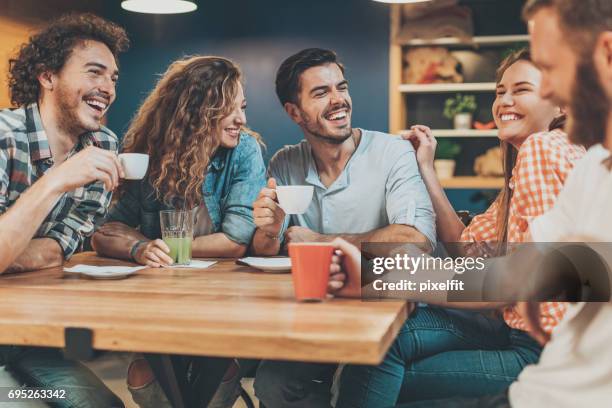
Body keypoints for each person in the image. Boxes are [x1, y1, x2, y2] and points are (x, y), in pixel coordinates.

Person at [329, 1, 612, 406]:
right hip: (543, 352)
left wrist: (381, 274)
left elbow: (505, 282)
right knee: (380, 343)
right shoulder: (586, 167)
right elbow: (497, 267)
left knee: (378, 369)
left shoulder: (546, 149)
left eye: (550, 69)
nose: (546, 88)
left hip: (551, 364)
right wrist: (382, 271)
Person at [250, 48, 436, 408]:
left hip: (384, 309)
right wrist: (269, 230)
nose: (339, 101)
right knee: (273, 383)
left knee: (353, 377)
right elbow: (266, 251)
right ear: (294, 112)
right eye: (321, 93)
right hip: (316, 314)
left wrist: (321, 241)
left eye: (342, 87)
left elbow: (418, 239)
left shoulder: (392, 153)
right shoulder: (285, 163)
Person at [91, 55, 266, 407]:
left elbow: (234, 241)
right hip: (162, 296)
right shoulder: (150, 153)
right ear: (197, 110)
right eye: (229, 109)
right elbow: (105, 228)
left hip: (224, 295)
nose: (242, 120)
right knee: (144, 370)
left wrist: (170, 249)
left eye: (242, 108)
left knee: (220, 367)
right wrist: (140, 249)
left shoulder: (244, 150)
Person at [0, 12, 129, 408]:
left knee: (103, 406)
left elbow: (59, 249)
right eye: (95, 73)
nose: (107, 88)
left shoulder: (103, 146)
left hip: (27, 337)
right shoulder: (4, 138)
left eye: (113, 78)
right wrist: (57, 179)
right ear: (47, 76)